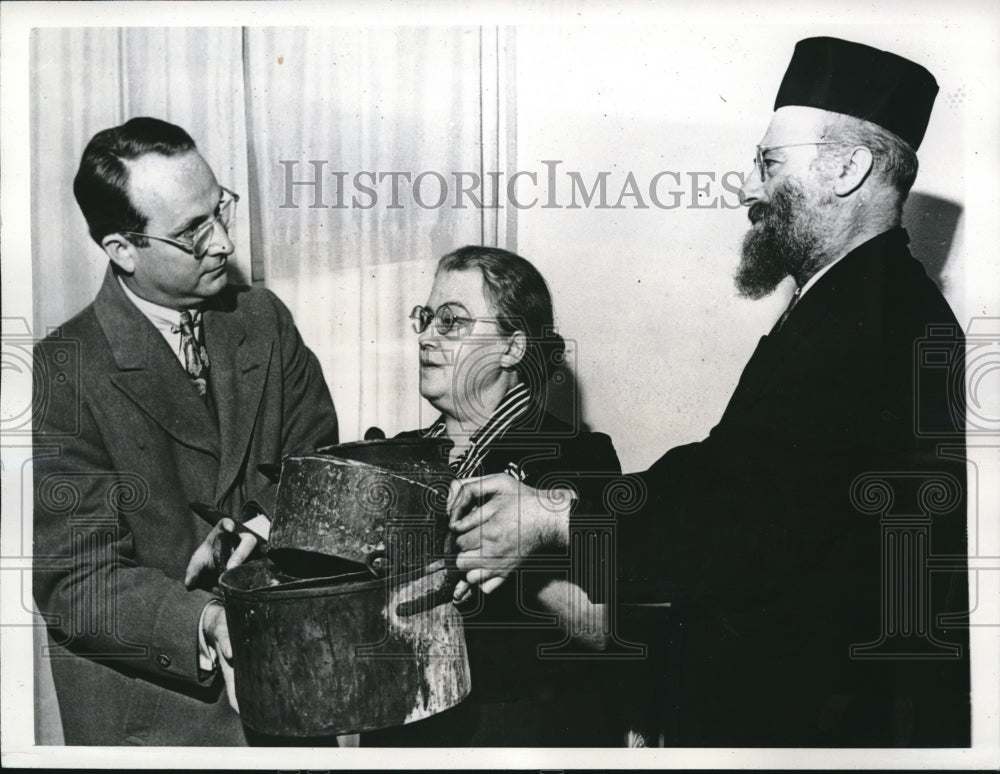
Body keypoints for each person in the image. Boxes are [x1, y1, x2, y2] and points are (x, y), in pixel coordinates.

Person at [447, 37, 970, 747]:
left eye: (769, 163)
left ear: (848, 169)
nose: (749, 188)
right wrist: (553, 509)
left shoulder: (869, 323)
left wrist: (553, 518)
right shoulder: (849, 301)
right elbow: (722, 469)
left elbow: (735, 528)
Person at [32, 117, 339, 745]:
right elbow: (76, 582)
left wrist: (261, 523)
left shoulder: (264, 317)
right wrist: (207, 621)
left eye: (219, 209)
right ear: (123, 249)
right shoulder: (64, 369)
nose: (222, 242)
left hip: (289, 704)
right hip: (160, 725)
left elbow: (320, 463)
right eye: (192, 231)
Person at [363, 245, 625, 746]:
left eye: (451, 321)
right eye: (426, 318)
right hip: (403, 728)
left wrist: (502, 557)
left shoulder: (577, 456)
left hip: (518, 732)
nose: (426, 336)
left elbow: (600, 626)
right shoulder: (395, 456)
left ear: (511, 348)